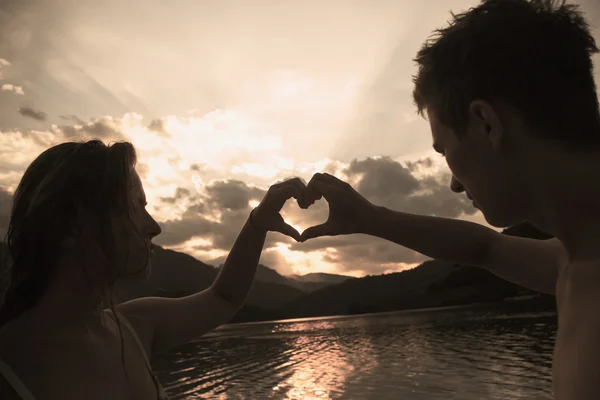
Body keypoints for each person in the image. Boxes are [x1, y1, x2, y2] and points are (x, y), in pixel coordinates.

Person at [298, 0, 600, 399]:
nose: (455, 185)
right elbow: (485, 248)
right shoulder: (574, 259)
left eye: (444, 151)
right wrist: (371, 219)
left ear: (486, 123)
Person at [0, 140, 305, 400]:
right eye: (137, 206)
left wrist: (257, 224)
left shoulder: (133, 327)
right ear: (70, 226)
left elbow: (224, 297)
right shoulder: (11, 366)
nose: (154, 227)